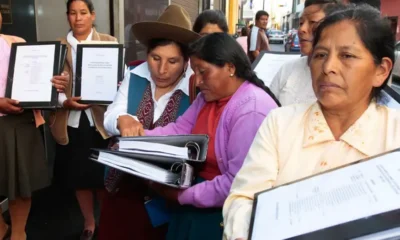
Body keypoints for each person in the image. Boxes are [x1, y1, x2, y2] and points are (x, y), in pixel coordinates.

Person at [223, 5, 400, 240]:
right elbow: (242, 200)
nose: (328, 68)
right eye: (320, 55)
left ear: (381, 70)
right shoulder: (280, 123)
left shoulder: (394, 133)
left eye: (346, 56)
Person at [127, 32, 280, 240]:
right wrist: (135, 141)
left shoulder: (250, 110)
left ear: (231, 68)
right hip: (197, 196)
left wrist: (181, 195)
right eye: (194, 72)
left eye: (203, 72)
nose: (197, 81)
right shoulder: (208, 98)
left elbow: (234, 184)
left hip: (220, 210)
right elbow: (178, 129)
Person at [98, 5, 200, 240]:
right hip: (123, 189)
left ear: (186, 61)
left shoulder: (195, 90)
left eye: (172, 61)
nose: (162, 70)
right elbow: (111, 116)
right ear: (147, 54)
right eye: (156, 58)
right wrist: (123, 119)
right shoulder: (134, 75)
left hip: (165, 198)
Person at [50, 0, 117, 239]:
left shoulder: (109, 43)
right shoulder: (56, 48)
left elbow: (121, 84)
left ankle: (106, 221)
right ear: (67, 16)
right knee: (79, 177)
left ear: (92, 15)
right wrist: (63, 101)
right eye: (72, 13)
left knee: (103, 176)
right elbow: (48, 90)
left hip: (102, 122)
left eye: (83, 13)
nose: (78, 18)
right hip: (72, 122)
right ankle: (89, 223)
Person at [0, 11, 69, 240]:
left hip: (20, 123)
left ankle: (18, 234)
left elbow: (41, 78)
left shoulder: (16, 44)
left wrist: (56, 82)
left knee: (21, 184)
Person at [270, 0, 345, 106]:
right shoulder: (288, 69)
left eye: (313, 22)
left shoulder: (347, 75)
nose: (302, 29)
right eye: (301, 23)